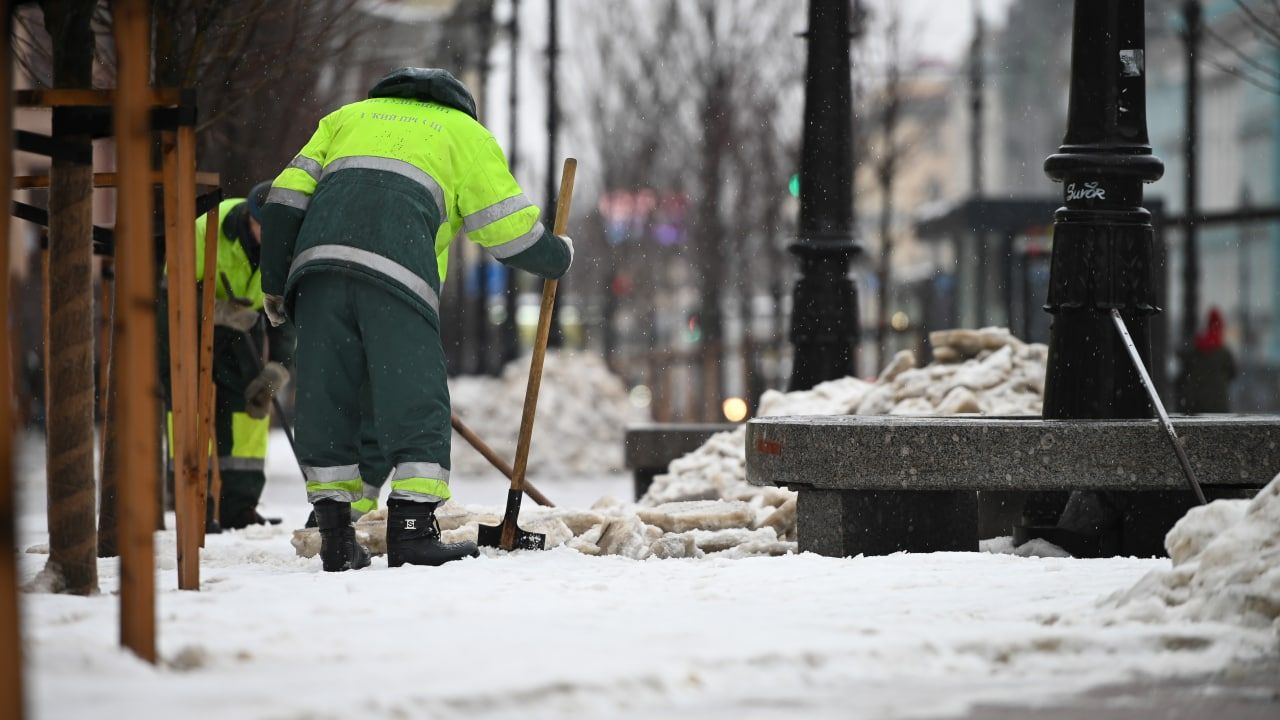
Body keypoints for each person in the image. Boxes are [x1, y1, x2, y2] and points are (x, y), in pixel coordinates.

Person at [259, 67, 573, 572]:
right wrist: (558, 256)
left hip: (314, 273)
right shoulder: (464, 133)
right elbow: (509, 232)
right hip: (395, 272)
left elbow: (283, 201)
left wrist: (274, 281)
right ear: (458, 104)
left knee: (327, 397)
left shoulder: (345, 118)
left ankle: (336, 536)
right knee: (415, 396)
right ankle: (411, 531)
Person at [161, 182, 291, 530]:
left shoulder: (287, 242)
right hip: (189, 333)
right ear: (250, 219)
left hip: (243, 335)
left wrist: (279, 367)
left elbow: (286, 311)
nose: (272, 237)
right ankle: (195, 509)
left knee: (250, 410)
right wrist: (215, 311)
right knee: (189, 414)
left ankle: (240, 508)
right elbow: (172, 294)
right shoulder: (206, 230)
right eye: (266, 229)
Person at [1176, 307, 1237, 414]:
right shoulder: (1223, 352)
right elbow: (1233, 373)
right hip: (1219, 406)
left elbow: (1185, 370)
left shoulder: (1197, 348)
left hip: (1197, 405)